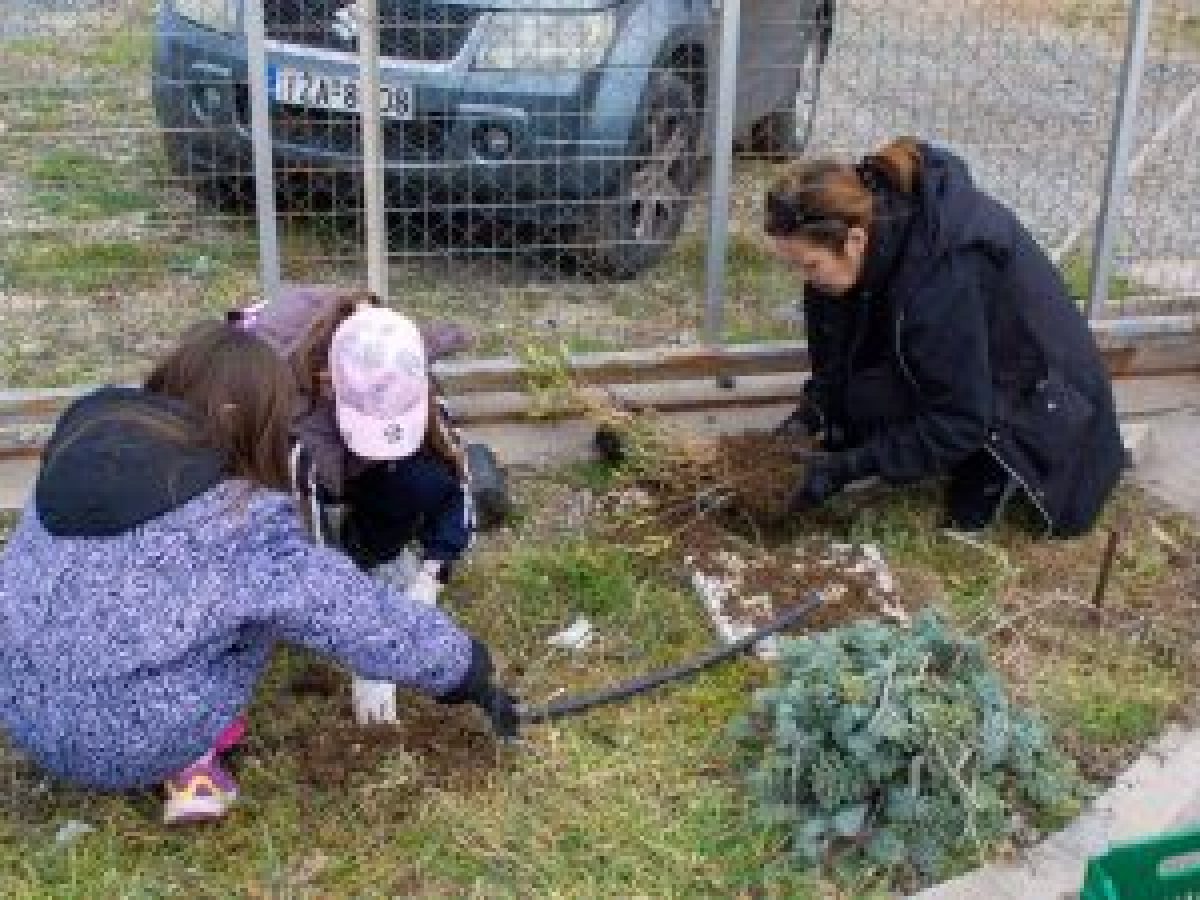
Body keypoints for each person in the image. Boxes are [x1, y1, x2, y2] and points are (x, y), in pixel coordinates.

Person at [0, 321, 518, 825]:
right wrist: (466, 670)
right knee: (264, 610)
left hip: (22, 712)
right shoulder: (241, 519)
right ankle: (192, 760)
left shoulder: (82, 443)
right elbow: (348, 613)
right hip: (131, 743)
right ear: (247, 418)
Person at [767, 137, 1124, 537]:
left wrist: (851, 466)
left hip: (1038, 396)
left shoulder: (940, 275)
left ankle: (995, 470)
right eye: (794, 265)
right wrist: (812, 414)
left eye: (809, 265)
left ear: (854, 241)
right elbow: (836, 354)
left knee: (961, 517)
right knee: (865, 404)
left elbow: (963, 418)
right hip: (966, 363)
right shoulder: (854, 250)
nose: (804, 278)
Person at [230, 286, 483, 606]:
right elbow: (311, 546)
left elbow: (456, 478)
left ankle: (366, 547)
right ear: (327, 384)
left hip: (329, 434)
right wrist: (339, 601)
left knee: (422, 479)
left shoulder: (403, 365)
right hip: (266, 445)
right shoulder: (292, 409)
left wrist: (434, 572)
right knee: (279, 525)